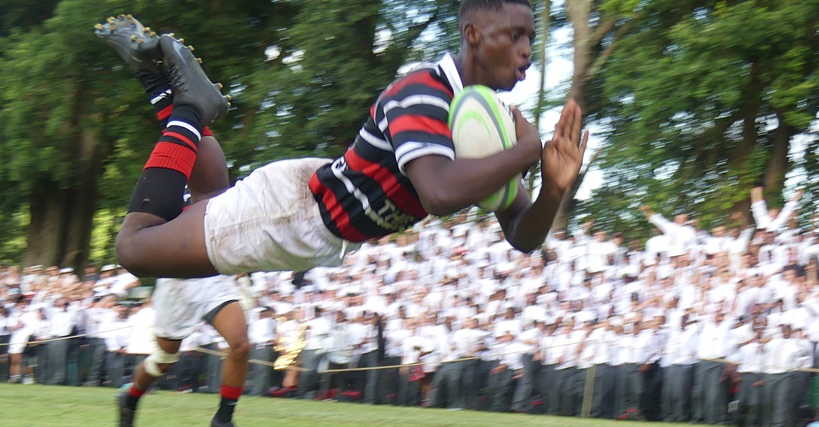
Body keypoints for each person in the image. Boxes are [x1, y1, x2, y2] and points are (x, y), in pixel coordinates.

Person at [95, 2, 588, 285]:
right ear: (475, 33)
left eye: (531, 38)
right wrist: (527, 153)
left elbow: (523, 236)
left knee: (205, 198)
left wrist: (552, 188)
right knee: (135, 249)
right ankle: (188, 106)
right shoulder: (422, 94)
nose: (528, 50)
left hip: (307, 212)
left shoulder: (491, 123)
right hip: (292, 216)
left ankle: (164, 88)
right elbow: (438, 192)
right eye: (517, 35)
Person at [96, 32, 255, 427]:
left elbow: (186, 127)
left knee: (240, 343)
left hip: (211, 263)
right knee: (164, 360)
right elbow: (181, 129)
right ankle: (130, 395)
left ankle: (224, 417)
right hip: (178, 270)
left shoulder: (191, 148)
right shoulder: (173, 159)